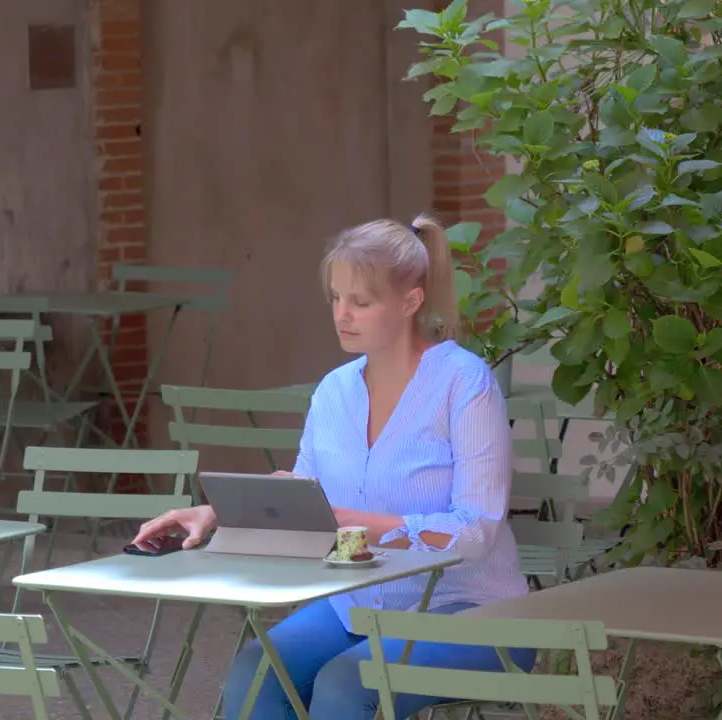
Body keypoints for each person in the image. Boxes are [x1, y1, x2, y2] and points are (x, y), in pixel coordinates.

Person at [131, 214, 533, 720]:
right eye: (336, 298)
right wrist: (215, 514)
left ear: (411, 302)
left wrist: (353, 522)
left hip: (470, 609)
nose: (343, 315)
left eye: (361, 302)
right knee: (256, 672)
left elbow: (476, 530)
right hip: (358, 604)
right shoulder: (334, 391)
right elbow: (304, 492)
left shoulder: (464, 384)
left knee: (346, 683)